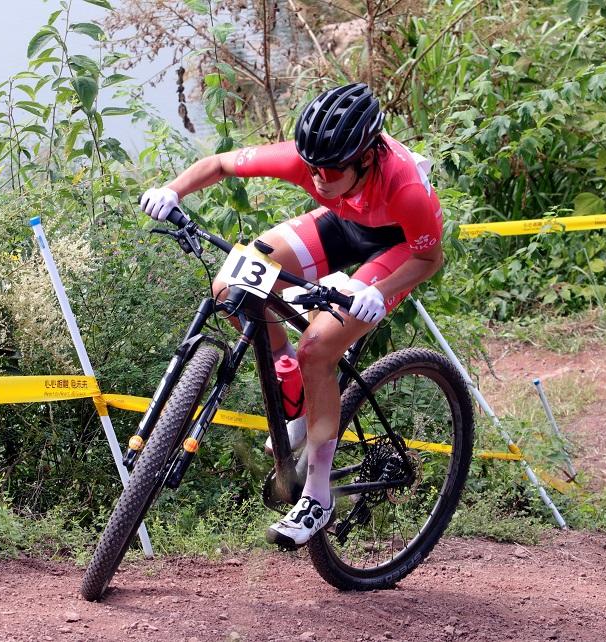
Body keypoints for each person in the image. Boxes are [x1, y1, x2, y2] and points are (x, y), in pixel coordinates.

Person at [139, 82, 444, 549]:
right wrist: (172, 189)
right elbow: (220, 164)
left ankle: (318, 497)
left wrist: (379, 294)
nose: (319, 178)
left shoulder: (405, 190)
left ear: (365, 158)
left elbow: (429, 260)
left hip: (398, 247)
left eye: (332, 169)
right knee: (231, 289)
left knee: (319, 346)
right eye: (313, 168)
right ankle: (292, 384)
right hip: (343, 224)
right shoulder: (312, 161)